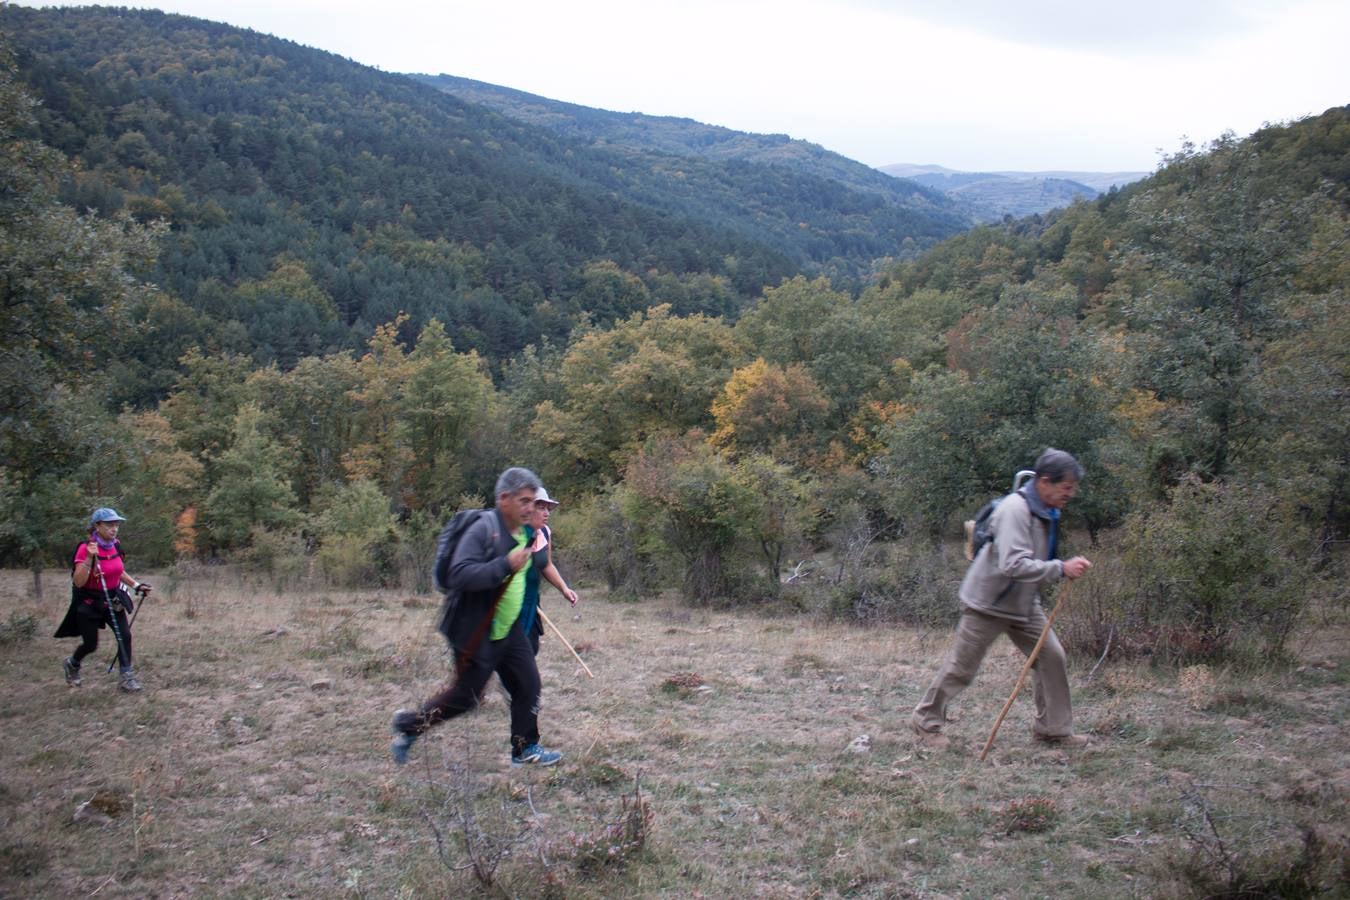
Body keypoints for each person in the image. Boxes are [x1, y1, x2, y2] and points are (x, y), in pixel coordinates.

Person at [911, 449, 1093, 750]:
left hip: (1023, 603)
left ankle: (1053, 730)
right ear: (1045, 482)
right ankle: (925, 721)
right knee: (962, 668)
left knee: (1052, 657)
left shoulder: (1047, 510)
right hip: (988, 602)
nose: (1070, 494)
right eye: (1067, 487)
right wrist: (1061, 568)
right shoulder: (1015, 510)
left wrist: (1056, 569)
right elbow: (1013, 564)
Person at [390, 467, 564, 767]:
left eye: (533, 502)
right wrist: (504, 564)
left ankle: (524, 749)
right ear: (503, 498)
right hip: (476, 629)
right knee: (465, 698)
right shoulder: (484, 528)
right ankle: (408, 726)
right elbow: (459, 574)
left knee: (529, 684)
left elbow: (538, 563)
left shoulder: (526, 531)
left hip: (508, 630)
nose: (530, 507)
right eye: (524, 501)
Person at [54, 508, 153, 692]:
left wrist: (136, 585)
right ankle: (72, 664)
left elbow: (118, 571)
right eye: (109, 525)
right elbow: (78, 581)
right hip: (89, 602)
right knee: (91, 645)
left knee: (125, 636)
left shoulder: (115, 545)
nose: (114, 529)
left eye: (116, 525)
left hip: (112, 599)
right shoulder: (85, 548)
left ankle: (126, 678)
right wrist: (90, 558)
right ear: (97, 526)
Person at [519, 486, 579, 656]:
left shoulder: (545, 532)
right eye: (541, 507)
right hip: (508, 601)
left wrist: (564, 589)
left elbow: (546, 565)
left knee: (531, 647)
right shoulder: (515, 533)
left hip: (531, 600)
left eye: (548, 508)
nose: (547, 513)